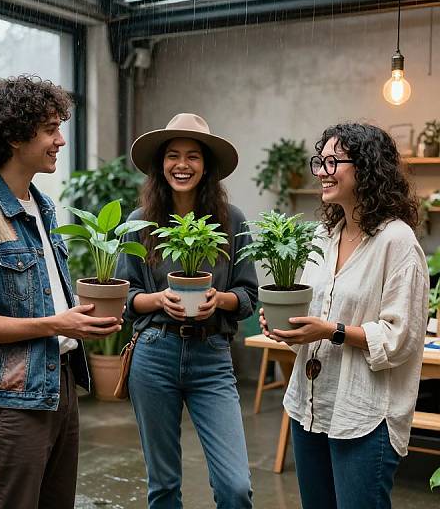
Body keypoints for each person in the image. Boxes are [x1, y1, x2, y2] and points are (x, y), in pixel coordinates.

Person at [0, 75, 121, 509]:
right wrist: (57, 323)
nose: (61, 140)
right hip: (9, 401)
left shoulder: (40, 206)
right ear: (16, 137)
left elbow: (39, 296)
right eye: (50, 129)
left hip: (56, 383)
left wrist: (74, 318)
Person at [259, 123, 429, 509]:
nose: (320, 170)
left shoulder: (397, 242)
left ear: (368, 169)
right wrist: (286, 326)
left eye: (333, 161)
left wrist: (333, 331)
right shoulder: (325, 233)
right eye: (320, 160)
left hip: (364, 414)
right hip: (311, 404)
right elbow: (309, 304)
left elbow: (400, 338)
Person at [116, 113, 257, 508]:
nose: (182, 164)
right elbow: (126, 298)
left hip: (212, 356)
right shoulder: (139, 223)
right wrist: (159, 300)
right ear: (161, 164)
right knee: (163, 486)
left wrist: (221, 299)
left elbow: (248, 293)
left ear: (206, 166)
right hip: (154, 353)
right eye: (173, 155)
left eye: (193, 156)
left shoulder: (232, 222)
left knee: (235, 487)